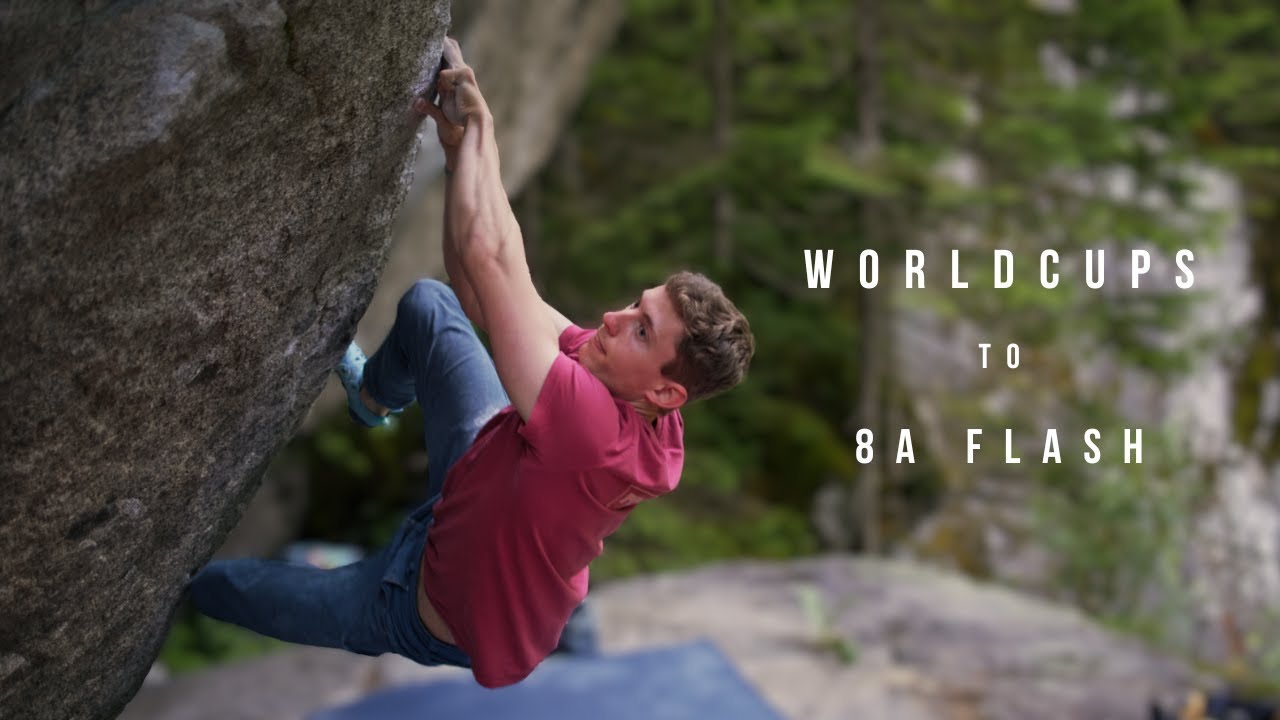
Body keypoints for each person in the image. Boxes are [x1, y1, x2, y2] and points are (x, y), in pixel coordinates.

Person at [190, 38, 755, 688]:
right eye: (636, 303)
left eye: (640, 329)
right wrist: (465, 159)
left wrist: (481, 136)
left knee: (226, 585)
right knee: (431, 306)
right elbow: (482, 289)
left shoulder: (591, 428)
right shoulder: (640, 400)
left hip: (417, 602)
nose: (612, 318)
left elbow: (492, 261)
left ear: (666, 394)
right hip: (478, 474)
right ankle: (374, 401)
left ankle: (166, 595)